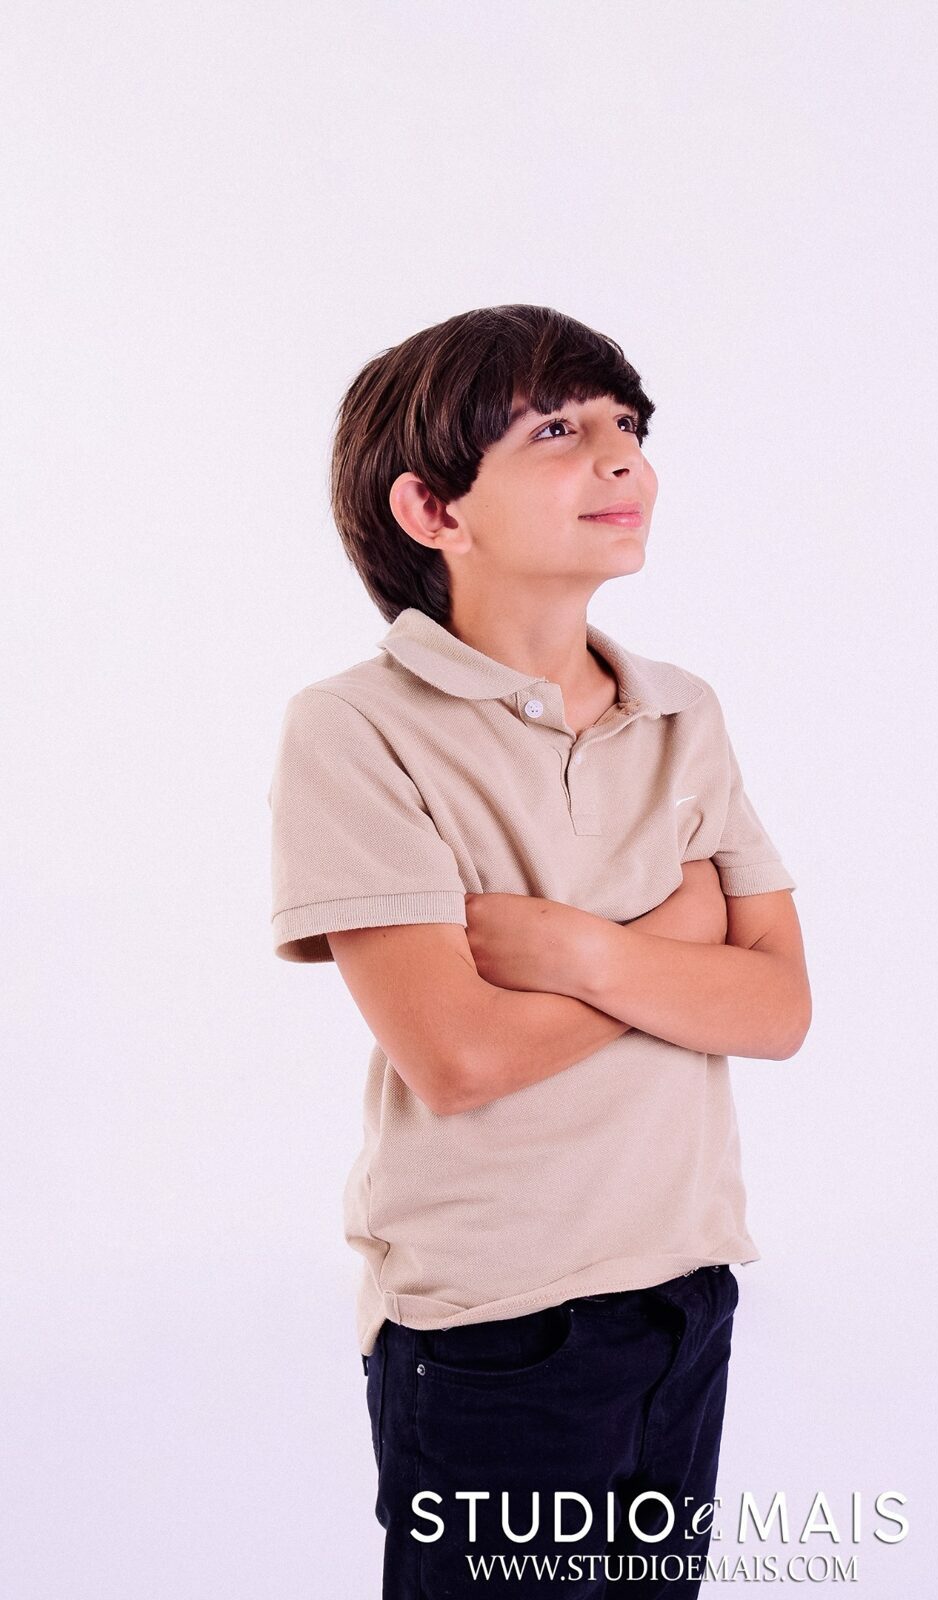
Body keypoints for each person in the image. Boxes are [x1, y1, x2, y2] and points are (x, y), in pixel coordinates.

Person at [267, 303, 811, 1597]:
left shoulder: (682, 713)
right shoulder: (357, 730)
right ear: (432, 510)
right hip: (495, 1331)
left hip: (686, 1292)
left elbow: (780, 1008)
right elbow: (458, 1056)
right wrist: (677, 946)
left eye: (628, 424)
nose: (622, 457)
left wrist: (580, 953)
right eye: (557, 431)